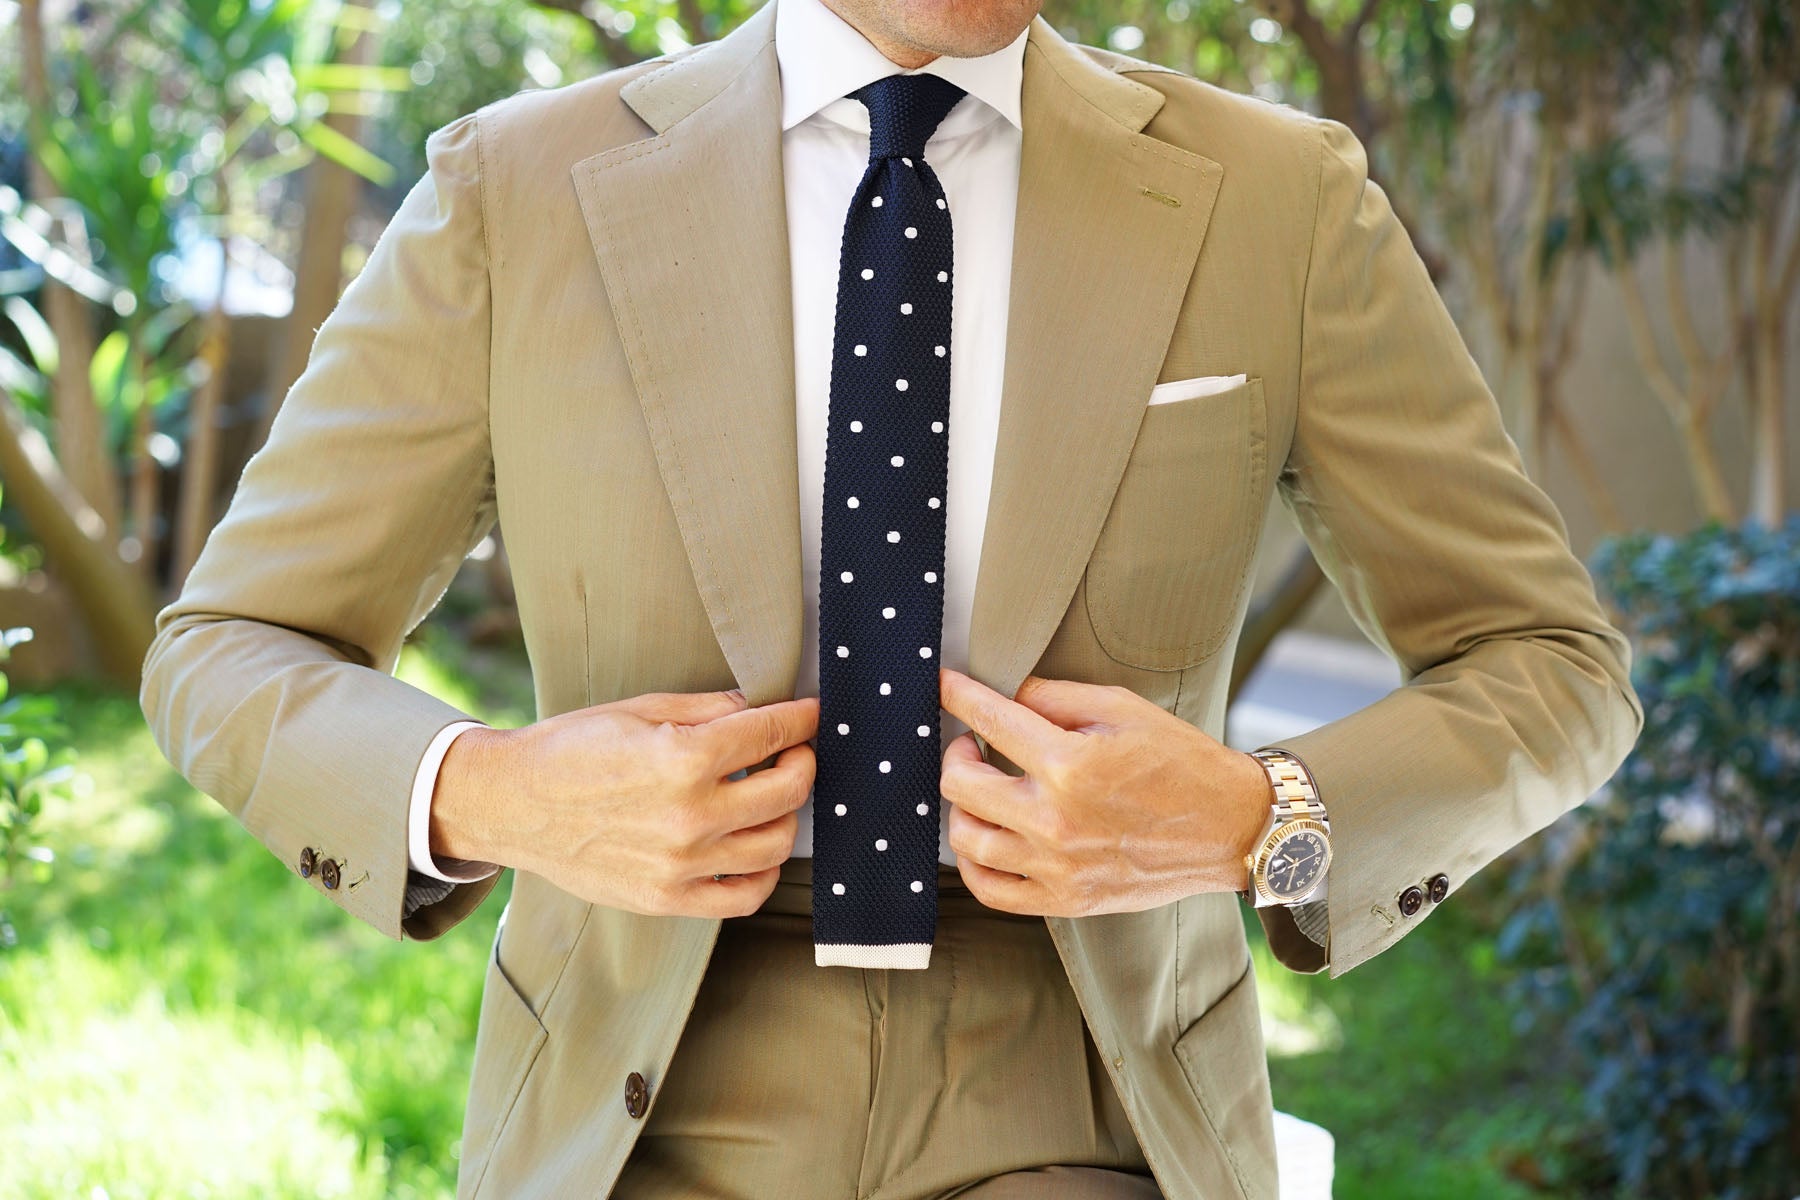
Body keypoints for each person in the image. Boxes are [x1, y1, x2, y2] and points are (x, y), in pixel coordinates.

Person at [138, 0, 1645, 1194]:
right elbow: (230, 645)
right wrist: (495, 795)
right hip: (635, 1102)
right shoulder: (511, 192)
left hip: (1085, 1092)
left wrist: (1267, 818)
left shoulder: (1278, 201)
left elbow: (1551, 662)